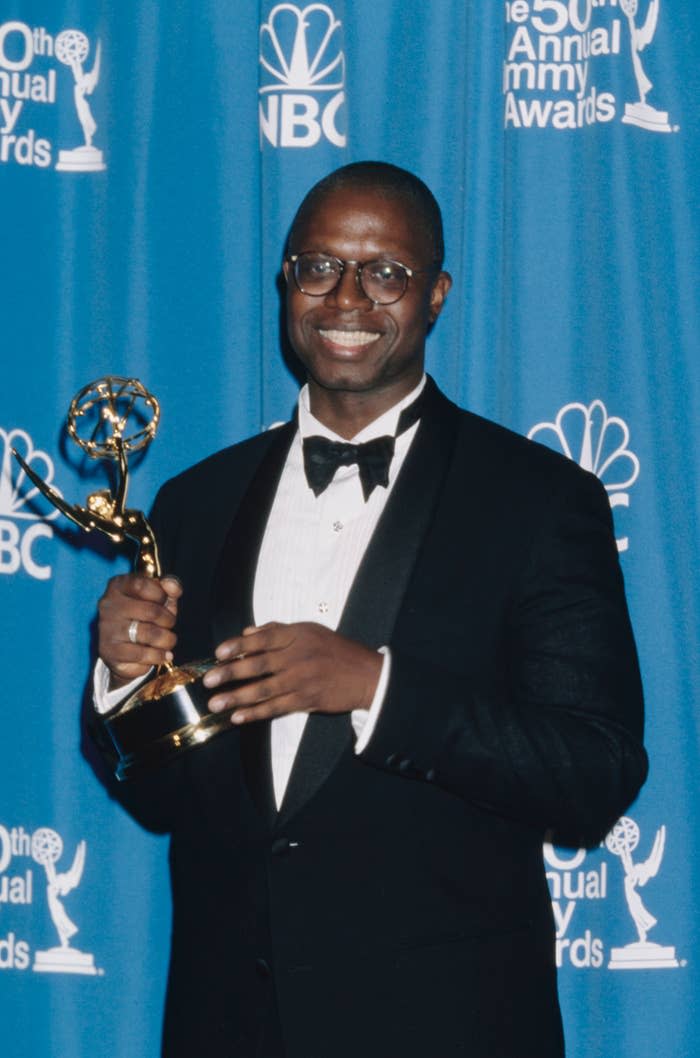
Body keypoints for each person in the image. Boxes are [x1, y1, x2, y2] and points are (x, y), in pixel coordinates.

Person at [93, 161, 648, 1058]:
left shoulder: (539, 502)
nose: (346, 296)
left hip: (449, 1027)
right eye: (318, 267)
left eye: (385, 271)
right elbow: (166, 800)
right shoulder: (194, 503)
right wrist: (125, 685)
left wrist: (374, 688)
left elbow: (594, 771)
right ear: (286, 282)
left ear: (435, 294)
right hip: (230, 1026)